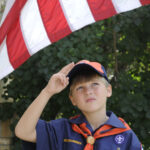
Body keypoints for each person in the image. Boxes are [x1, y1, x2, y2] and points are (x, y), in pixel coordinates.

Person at [15, 60, 143, 150]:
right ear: (72, 99)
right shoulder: (62, 130)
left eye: (95, 84)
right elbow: (23, 132)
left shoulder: (126, 135)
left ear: (108, 90)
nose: (88, 91)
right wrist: (47, 92)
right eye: (80, 88)